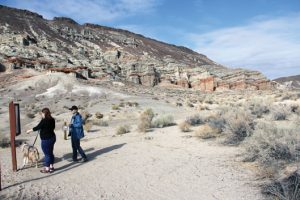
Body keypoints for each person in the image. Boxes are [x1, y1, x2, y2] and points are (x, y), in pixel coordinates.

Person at [26, 108, 56, 173]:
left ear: (45, 113)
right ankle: (51, 166)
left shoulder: (44, 120)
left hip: (46, 139)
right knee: (50, 152)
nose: (41, 114)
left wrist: (29, 130)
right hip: (52, 137)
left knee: (47, 154)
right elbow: (53, 127)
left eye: (42, 113)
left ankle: (47, 168)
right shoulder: (52, 119)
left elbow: (37, 127)